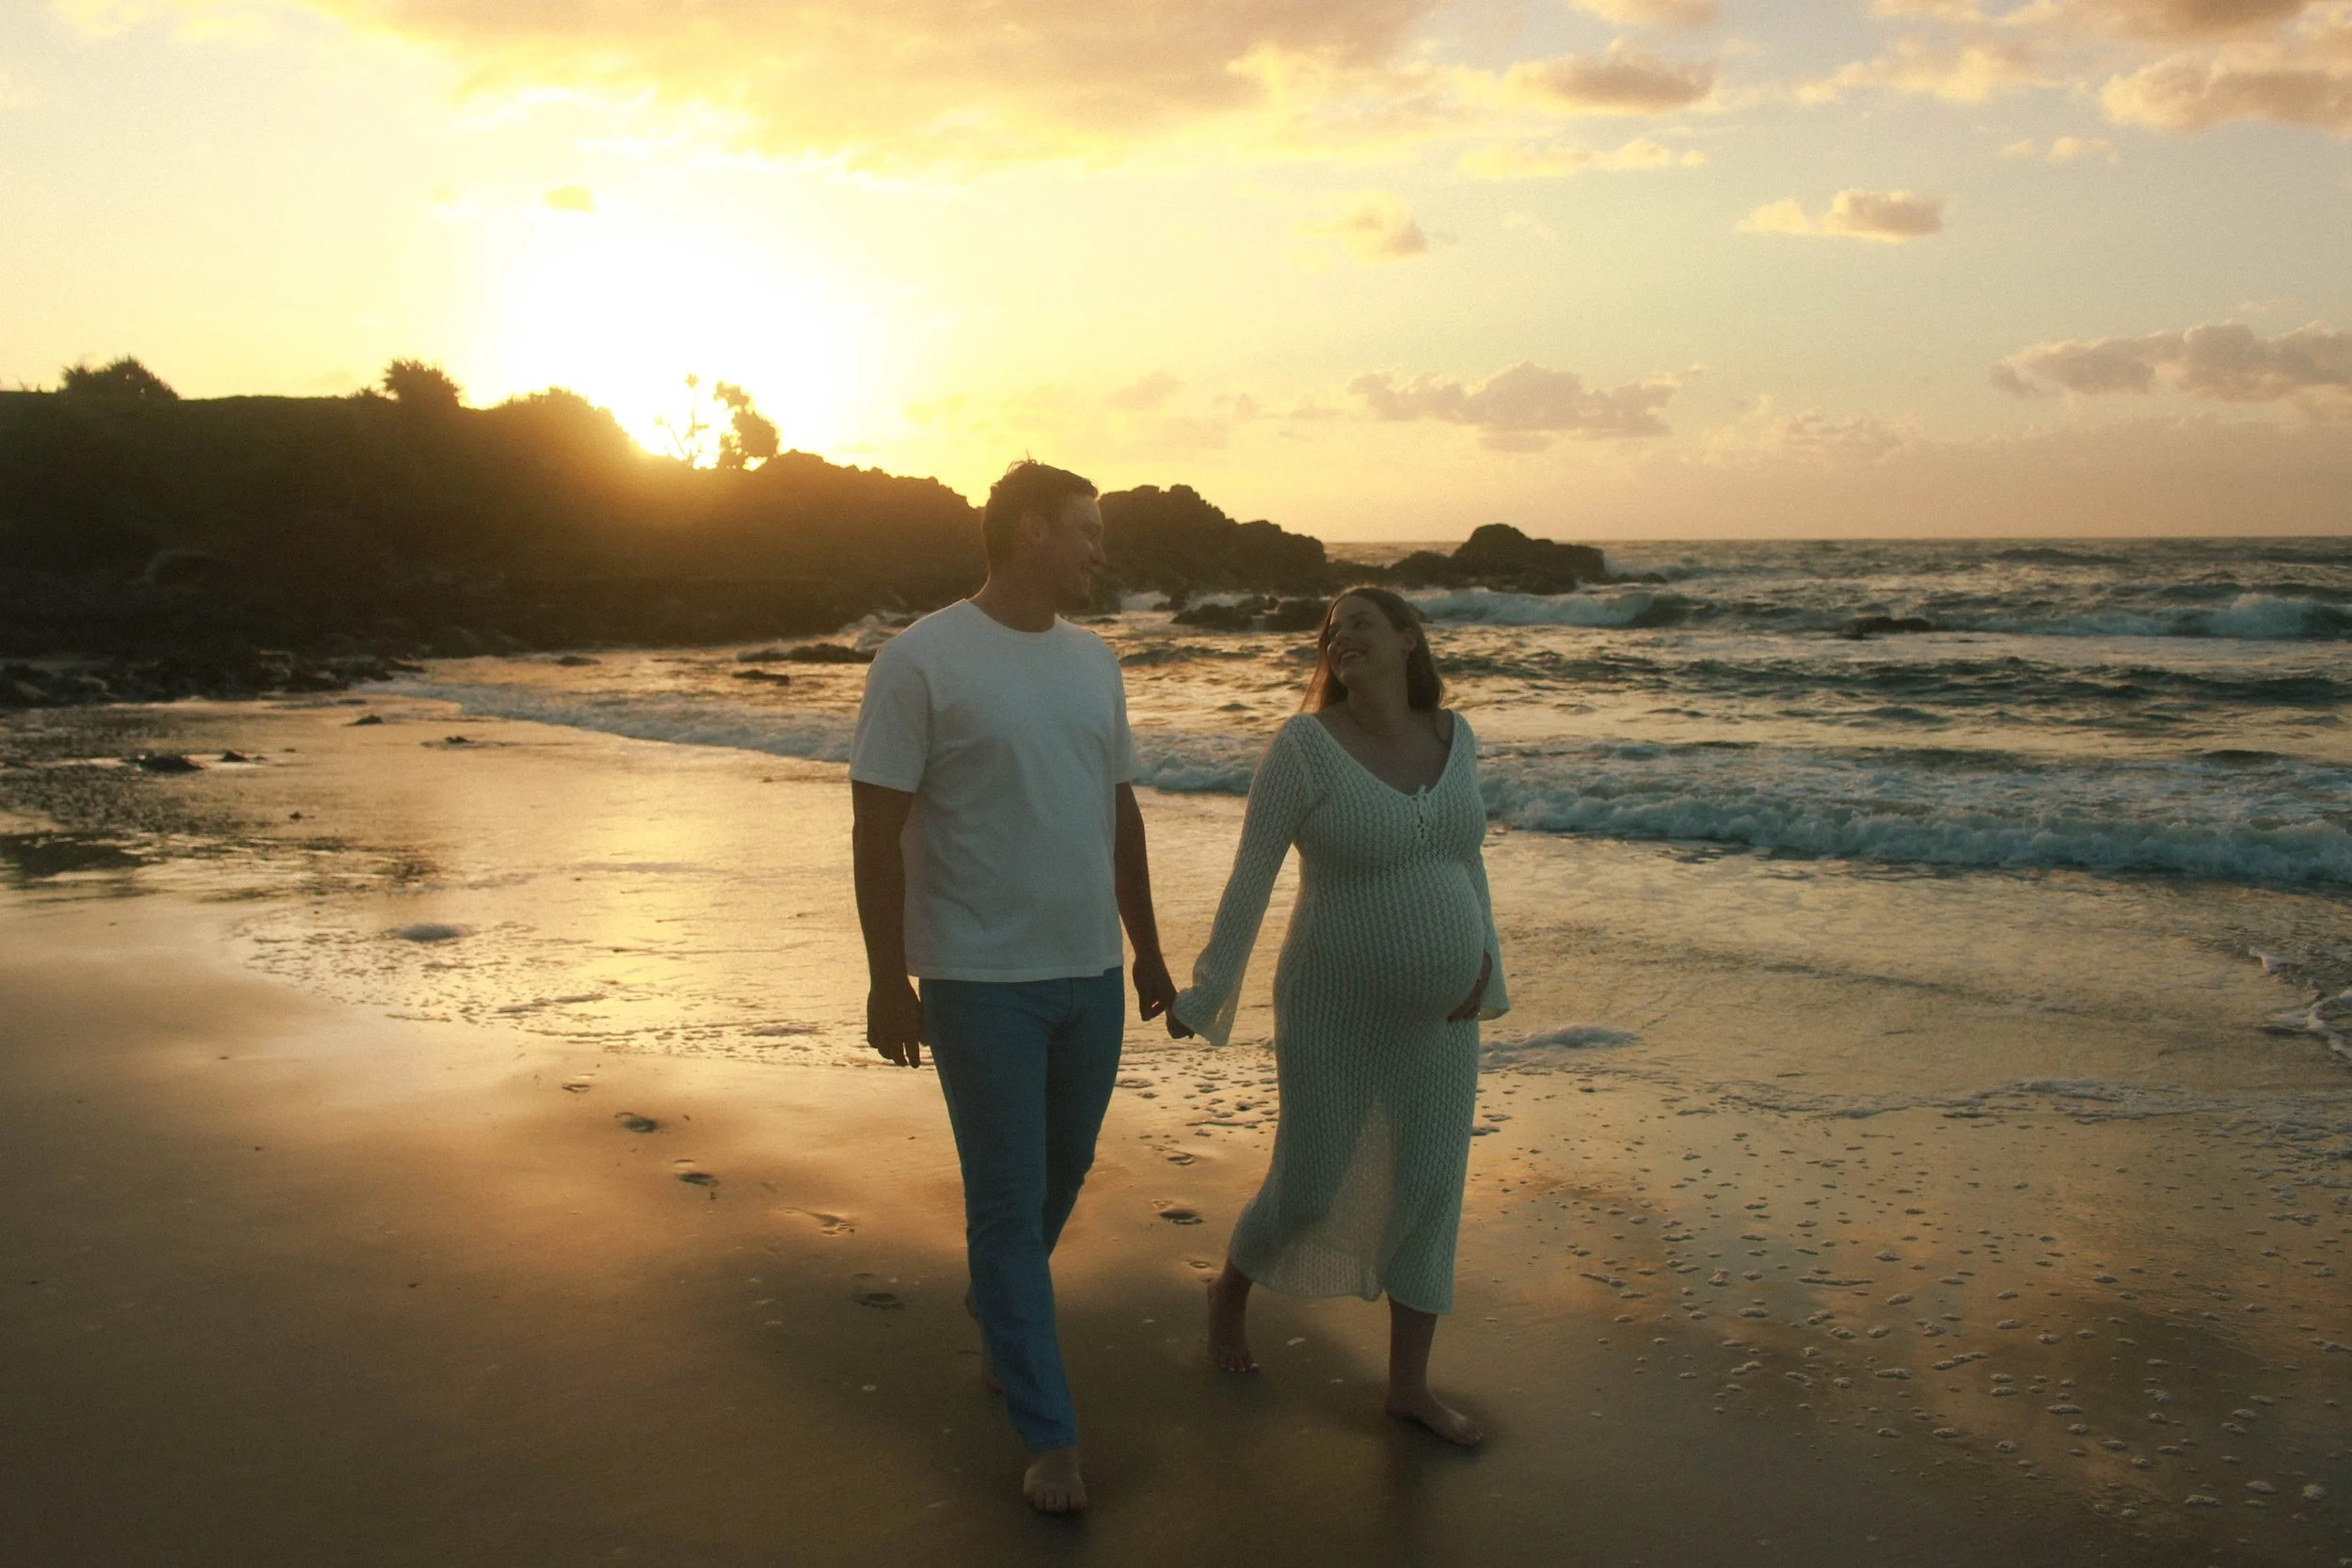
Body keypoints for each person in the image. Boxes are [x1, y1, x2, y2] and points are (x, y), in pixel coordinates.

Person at [849, 459, 1178, 1515]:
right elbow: (874, 824)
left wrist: (1148, 948)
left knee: (1057, 1176)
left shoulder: (1095, 662)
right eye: (1085, 528)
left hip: (1086, 968)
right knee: (1003, 1195)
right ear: (1030, 530)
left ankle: (1002, 1304)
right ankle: (1048, 1436)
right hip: (978, 975)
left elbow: (1117, 810)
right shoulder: (921, 659)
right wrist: (884, 977)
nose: (1100, 546)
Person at [1167, 585, 1506, 1447]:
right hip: (1333, 1004)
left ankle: (1409, 1389)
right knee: (1312, 1181)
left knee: (1433, 1185)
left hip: (1446, 1016)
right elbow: (1253, 874)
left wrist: (1488, 967)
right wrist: (1208, 992)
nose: (1339, 636)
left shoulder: (1455, 735)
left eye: (1359, 621)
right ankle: (1230, 1291)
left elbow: (1468, 861)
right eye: (1330, 629)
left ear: (1406, 638)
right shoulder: (1306, 747)